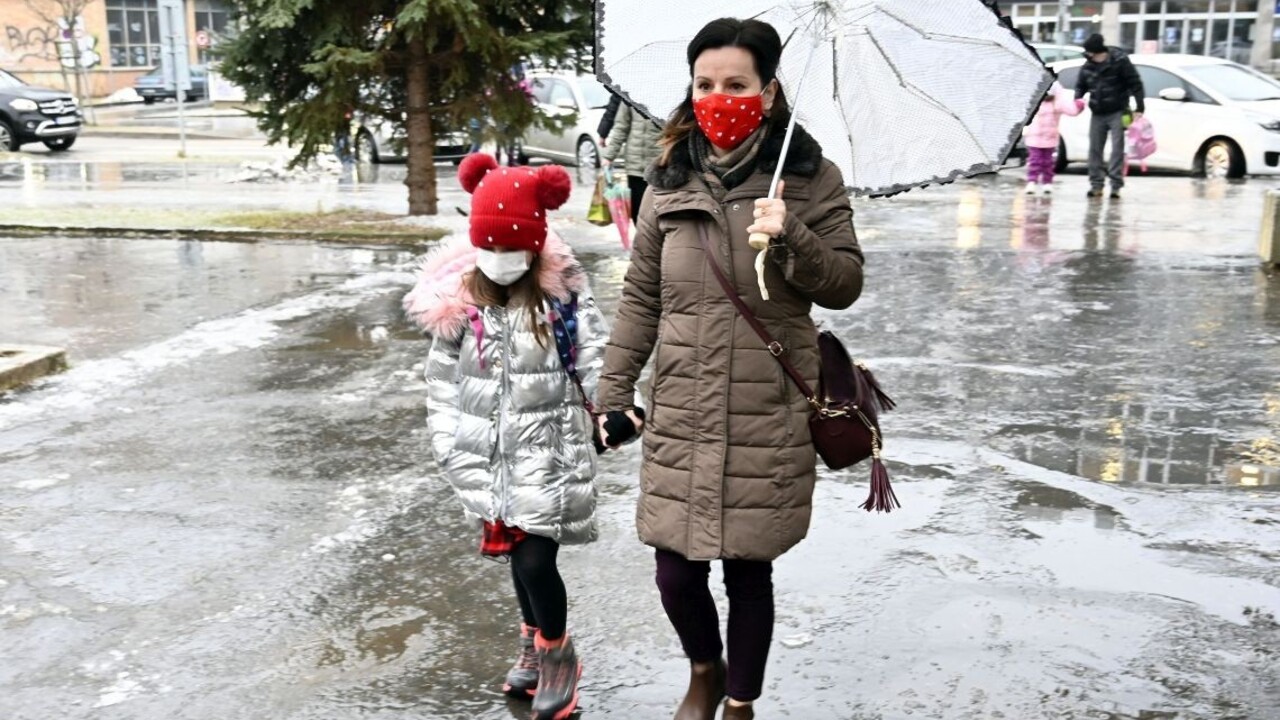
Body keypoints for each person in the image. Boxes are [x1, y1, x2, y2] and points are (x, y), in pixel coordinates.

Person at [593, 17, 864, 720]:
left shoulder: (810, 179)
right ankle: (704, 670)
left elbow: (844, 284)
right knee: (675, 572)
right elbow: (641, 298)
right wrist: (613, 392)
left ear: (767, 92)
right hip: (683, 405)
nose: (719, 98)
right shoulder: (668, 181)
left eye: (736, 85)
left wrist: (791, 232)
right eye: (705, 84)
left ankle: (740, 701)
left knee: (749, 573)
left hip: (765, 407)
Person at [402, 153, 608, 720]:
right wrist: (449, 445)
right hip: (485, 456)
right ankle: (532, 644)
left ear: (536, 243)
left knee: (537, 560)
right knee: (518, 558)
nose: (500, 258)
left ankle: (559, 656)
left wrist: (616, 408)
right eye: (489, 247)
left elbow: (595, 356)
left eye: (512, 246)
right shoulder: (458, 305)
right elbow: (441, 383)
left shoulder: (561, 297)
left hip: (549, 449)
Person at [1075, 33, 1145, 200]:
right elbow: (1080, 86)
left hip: (1118, 110)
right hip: (1097, 112)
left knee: (1117, 150)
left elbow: (1135, 83)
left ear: (1097, 51)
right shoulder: (1088, 65)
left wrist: (1139, 106)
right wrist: (1077, 100)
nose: (1087, 55)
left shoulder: (1120, 61)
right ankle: (1096, 185)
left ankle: (1115, 186)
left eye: (1089, 52)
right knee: (1095, 150)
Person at [601, 102, 664, 221]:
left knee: (657, 212)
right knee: (636, 211)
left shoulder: (669, 98)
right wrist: (609, 156)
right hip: (635, 166)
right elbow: (621, 127)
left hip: (660, 166)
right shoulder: (630, 96)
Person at [1023, 81, 1085, 195]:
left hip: (1049, 139)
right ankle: (1032, 181)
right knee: (1034, 161)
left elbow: (1071, 110)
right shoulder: (1035, 102)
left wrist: (1079, 104)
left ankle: (1047, 182)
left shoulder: (1057, 103)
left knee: (1048, 162)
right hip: (1034, 138)